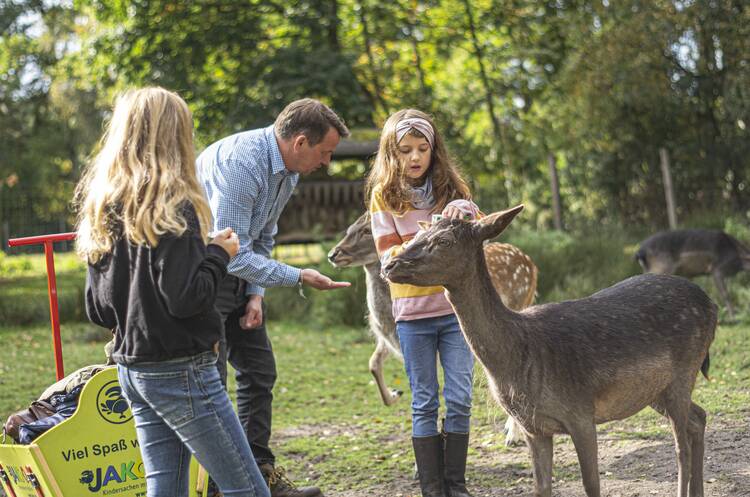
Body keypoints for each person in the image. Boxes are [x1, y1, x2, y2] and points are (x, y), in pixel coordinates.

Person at [75, 87, 270, 497]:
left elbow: (98, 309)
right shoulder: (174, 206)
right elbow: (186, 298)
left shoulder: (104, 206)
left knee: (166, 488)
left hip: (133, 370)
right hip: (182, 369)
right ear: (175, 134)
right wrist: (218, 253)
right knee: (249, 490)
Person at [197, 98, 351, 497]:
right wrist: (298, 275)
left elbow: (263, 236)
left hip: (236, 275)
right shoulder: (244, 163)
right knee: (213, 383)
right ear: (301, 142)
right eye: (325, 153)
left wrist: (256, 294)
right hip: (204, 276)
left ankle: (259, 477)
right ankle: (218, 487)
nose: (327, 163)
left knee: (259, 370)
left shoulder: (288, 171)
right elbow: (230, 254)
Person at [366, 109, 480, 497]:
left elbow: (477, 235)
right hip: (413, 316)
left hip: (455, 314)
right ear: (391, 153)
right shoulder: (384, 197)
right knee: (425, 401)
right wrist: (431, 239)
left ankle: (456, 485)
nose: (414, 157)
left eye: (422, 148)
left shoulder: (453, 191)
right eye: (405, 150)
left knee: (461, 397)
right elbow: (389, 260)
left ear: (434, 150)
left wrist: (464, 213)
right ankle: (432, 489)